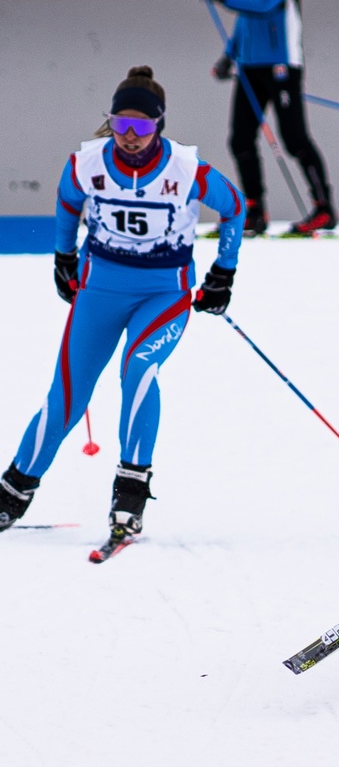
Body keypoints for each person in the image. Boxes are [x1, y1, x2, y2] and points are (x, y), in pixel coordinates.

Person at [0, 66, 245, 546]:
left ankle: (130, 490)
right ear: (109, 121)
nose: (130, 137)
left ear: (160, 126)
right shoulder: (86, 163)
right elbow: (68, 203)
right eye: (120, 124)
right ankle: (14, 489)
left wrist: (224, 272)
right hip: (100, 291)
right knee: (66, 397)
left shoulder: (186, 168)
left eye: (142, 127)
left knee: (140, 369)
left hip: (164, 294)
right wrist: (63, 257)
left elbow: (234, 207)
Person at [193, 0, 335, 236]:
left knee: (294, 137)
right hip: (250, 66)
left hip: (282, 64)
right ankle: (254, 211)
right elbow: (246, 17)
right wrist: (229, 56)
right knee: (240, 139)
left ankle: (324, 208)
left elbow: (266, 4)